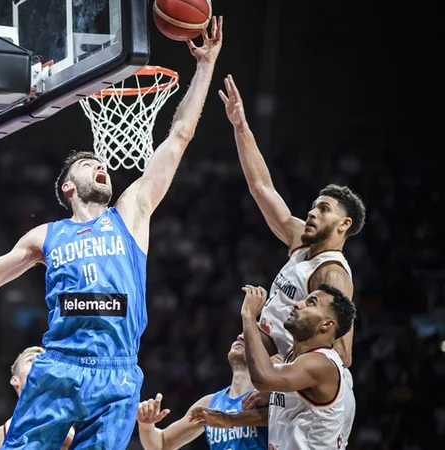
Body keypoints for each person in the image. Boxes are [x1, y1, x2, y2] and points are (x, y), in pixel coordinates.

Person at [0, 17, 224, 450]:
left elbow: (178, 137)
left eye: (99, 164)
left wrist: (206, 66)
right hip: (60, 365)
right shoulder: (45, 237)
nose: (101, 166)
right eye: (88, 165)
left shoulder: (131, 213)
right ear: (69, 187)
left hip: (118, 369)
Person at [218, 74, 366, 410]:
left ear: (343, 225)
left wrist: (279, 385)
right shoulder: (301, 239)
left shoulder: (332, 275)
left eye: (323, 209)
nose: (312, 213)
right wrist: (241, 125)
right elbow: (262, 188)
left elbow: (341, 355)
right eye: (313, 205)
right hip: (271, 366)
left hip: (294, 391)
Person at [191, 285, 356, 450]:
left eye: (311, 303)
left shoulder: (322, 363)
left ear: (326, 324)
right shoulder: (295, 360)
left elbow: (263, 378)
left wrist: (249, 316)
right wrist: (231, 420)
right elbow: (280, 414)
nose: (298, 304)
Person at [136, 335, 268, 450]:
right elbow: (162, 444)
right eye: (241, 332)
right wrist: (146, 425)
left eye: (252, 334)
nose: (241, 336)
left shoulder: (270, 398)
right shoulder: (210, 403)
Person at [0, 346, 74, 450]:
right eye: (31, 360)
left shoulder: (73, 420)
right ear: (15, 380)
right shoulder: (3, 432)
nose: (39, 364)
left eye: (44, 361)